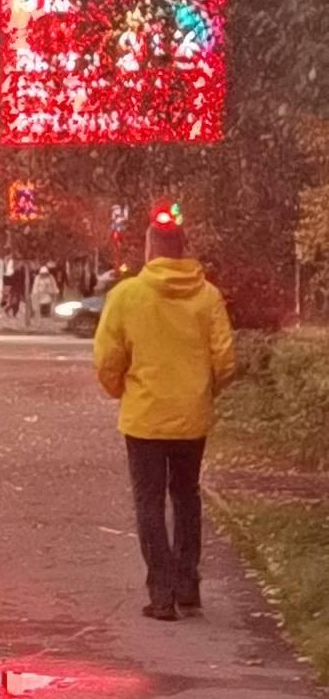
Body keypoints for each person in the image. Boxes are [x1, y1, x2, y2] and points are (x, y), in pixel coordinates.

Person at [93, 221, 235, 620]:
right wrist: (203, 390)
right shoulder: (207, 297)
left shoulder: (127, 296)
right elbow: (225, 359)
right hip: (191, 416)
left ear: (149, 249)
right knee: (187, 495)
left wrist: (120, 389)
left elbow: (107, 357)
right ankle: (188, 584)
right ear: (184, 248)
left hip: (145, 418)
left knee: (149, 501)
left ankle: (161, 593)